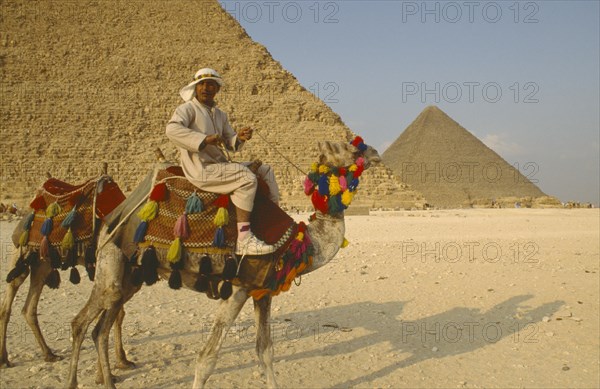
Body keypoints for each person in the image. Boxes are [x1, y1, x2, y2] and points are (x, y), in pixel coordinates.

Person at [166, 68, 279, 256]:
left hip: (221, 166)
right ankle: (244, 240)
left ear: (217, 88)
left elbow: (230, 143)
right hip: (201, 169)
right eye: (201, 84)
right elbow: (171, 130)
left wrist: (240, 138)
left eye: (211, 84)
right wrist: (203, 140)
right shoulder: (187, 109)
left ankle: (272, 218)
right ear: (195, 87)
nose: (206, 88)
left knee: (265, 170)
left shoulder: (220, 115)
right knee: (247, 177)